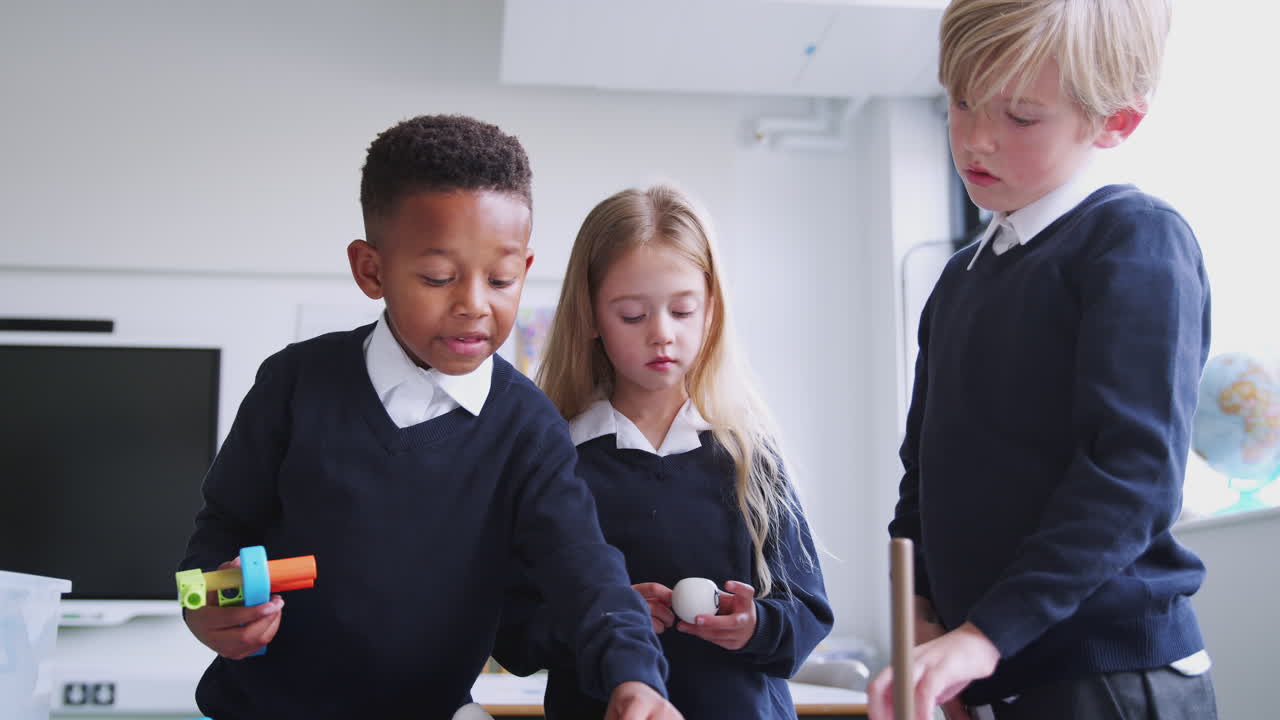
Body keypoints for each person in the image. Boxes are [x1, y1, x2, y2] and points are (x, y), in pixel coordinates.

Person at [179, 114, 681, 720]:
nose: (473, 304)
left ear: (524, 270)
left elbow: (586, 570)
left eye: (499, 279)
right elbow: (216, 531)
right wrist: (199, 605)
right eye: (438, 277)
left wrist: (636, 676)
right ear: (371, 270)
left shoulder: (526, 427)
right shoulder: (295, 383)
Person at [867, 2, 1218, 719]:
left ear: (1115, 122)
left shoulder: (1133, 240)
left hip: (1112, 674)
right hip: (997, 671)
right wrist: (926, 618)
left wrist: (984, 636)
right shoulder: (959, 280)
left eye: (1021, 117)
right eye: (960, 103)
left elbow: (1133, 475)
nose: (976, 139)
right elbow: (923, 477)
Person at [495, 184, 832, 718]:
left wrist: (756, 626)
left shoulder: (747, 453)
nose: (662, 335)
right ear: (590, 316)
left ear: (710, 311)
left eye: (682, 310)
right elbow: (512, 632)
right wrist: (604, 620)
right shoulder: (556, 457)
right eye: (632, 315)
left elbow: (810, 615)